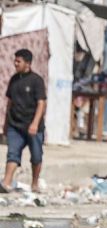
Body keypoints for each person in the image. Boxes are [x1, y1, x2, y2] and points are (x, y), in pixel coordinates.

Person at [1, 49, 46, 194]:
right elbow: (10, 102)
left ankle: (34, 184)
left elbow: (41, 103)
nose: (15, 64)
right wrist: (6, 122)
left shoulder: (36, 81)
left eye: (18, 61)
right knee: (12, 153)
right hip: (15, 125)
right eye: (15, 61)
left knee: (36, 156)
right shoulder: (14, 80)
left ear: (28, 63)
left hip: (33, 126)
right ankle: (6, 183)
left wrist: (34, 123)